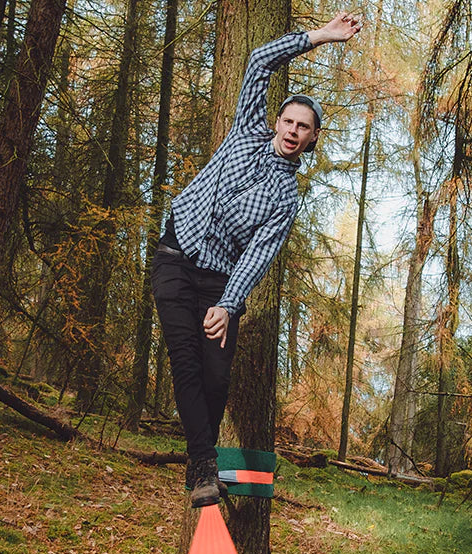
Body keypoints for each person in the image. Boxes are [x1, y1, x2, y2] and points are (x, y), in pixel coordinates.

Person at [152, 12, 363, 507]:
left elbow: (257, 256)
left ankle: (201, 462)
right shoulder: (247, 131)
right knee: (184, 360)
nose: (293, 130)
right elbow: (259, 61)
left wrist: (228, 305)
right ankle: (203, 467)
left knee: (217, 374)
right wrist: (322, 37)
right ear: (277, 122)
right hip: (175, 256)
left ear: (311, 139)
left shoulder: (287, 197)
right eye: (289, 120)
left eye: (303, 127)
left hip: (219, 282)